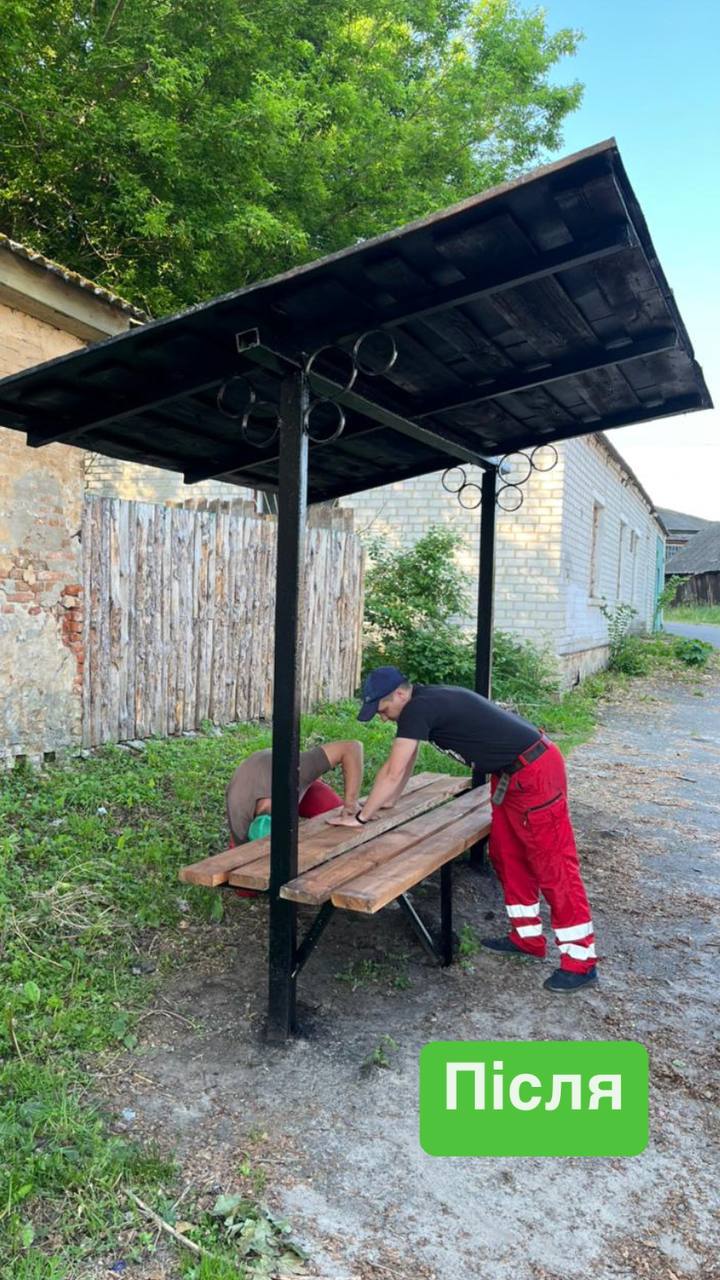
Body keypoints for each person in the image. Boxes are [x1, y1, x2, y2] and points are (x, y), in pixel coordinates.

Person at [329, 666, 597, 994]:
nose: (383, 718)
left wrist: (360, 818)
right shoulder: (421, 704)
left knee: (553, 864)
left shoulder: (417, 708)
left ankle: (581, 961)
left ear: (400, 694)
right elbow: (405, 763)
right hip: (510, 774)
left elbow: (393, 769)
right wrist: (388, 802)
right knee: (506, 854)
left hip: (535, 771)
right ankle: (527, 938)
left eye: (383, 709)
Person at [226, 739, 363, 846]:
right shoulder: (239, 821)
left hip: (281, 772)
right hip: (247, 782)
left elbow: (351, 747)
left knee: (338, 813)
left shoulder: (296, 770)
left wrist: (350, 804)